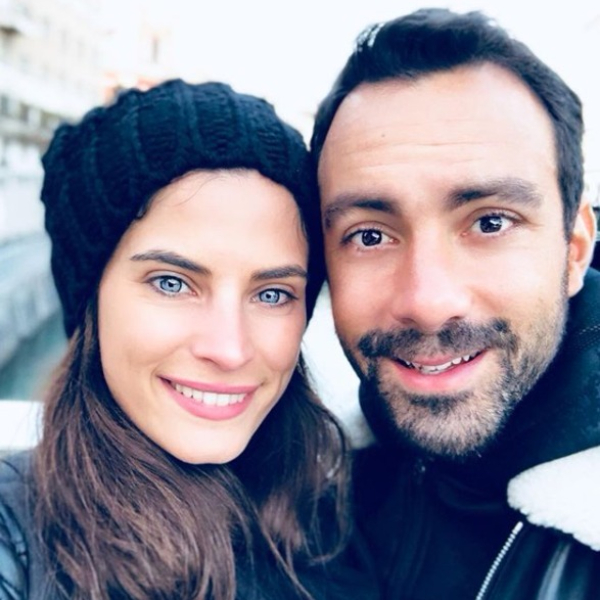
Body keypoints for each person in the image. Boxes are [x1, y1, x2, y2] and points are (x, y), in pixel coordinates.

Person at [0, 79, 358, 600]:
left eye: (272, 293)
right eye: (172, 283)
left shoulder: (343, 515)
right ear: (91, 299)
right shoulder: (16, 537)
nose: (230, 349)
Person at [311, 8, 600, 600]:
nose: (428, 303)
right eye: (370, 235)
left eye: (490, 222)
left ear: (574, 249)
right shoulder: (306, 486)